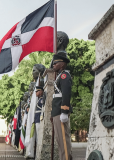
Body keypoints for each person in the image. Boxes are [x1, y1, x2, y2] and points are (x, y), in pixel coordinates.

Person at [51, 31, 72, 160]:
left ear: (62, 64)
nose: (53, 65)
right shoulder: (59, 76)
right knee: (60, 140)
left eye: (56, 63)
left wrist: (64, 111)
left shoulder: (64, 76)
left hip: (61, 112)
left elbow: (66, 94)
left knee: (64, 140)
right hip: (56, 112)